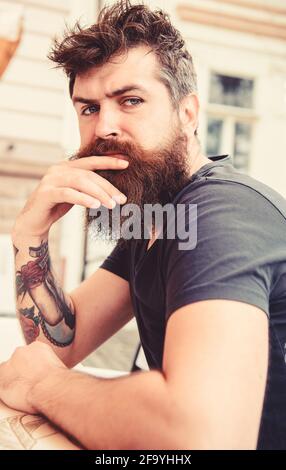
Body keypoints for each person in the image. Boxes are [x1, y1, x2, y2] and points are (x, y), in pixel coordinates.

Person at [0, 0, 285, 450]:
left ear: (188, 114)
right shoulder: (156, 216)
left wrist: (42, 386)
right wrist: (29, 237)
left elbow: (202, 434)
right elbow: (56, 344)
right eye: (88, 108)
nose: (105, 126)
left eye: (130, 100)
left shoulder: (221, 214)